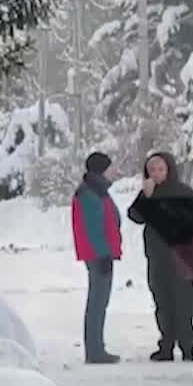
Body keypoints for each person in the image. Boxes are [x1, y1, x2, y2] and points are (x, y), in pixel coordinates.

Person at [127, 151, 193, 362]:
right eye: (151, 170)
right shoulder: (148, 194)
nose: (156, 174)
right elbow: (135, 216)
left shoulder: (183, 192)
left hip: (181, 257)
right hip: (157, 259)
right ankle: (166, 345)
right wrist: (146, 196)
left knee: (183, 304)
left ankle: (187, 347)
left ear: (169, 170)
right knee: (163, 303)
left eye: (160, 169)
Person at [71, 152, 122, 364]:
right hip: (98, 255)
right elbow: (92, 228)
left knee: (100, 301)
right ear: (101, 170)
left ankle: (97, 347)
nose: (113, 171)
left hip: (102, 252)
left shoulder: (98, 191)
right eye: (110, 168)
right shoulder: (90, 194)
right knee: (97, 302)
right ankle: (94, 350)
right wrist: (102, 255)